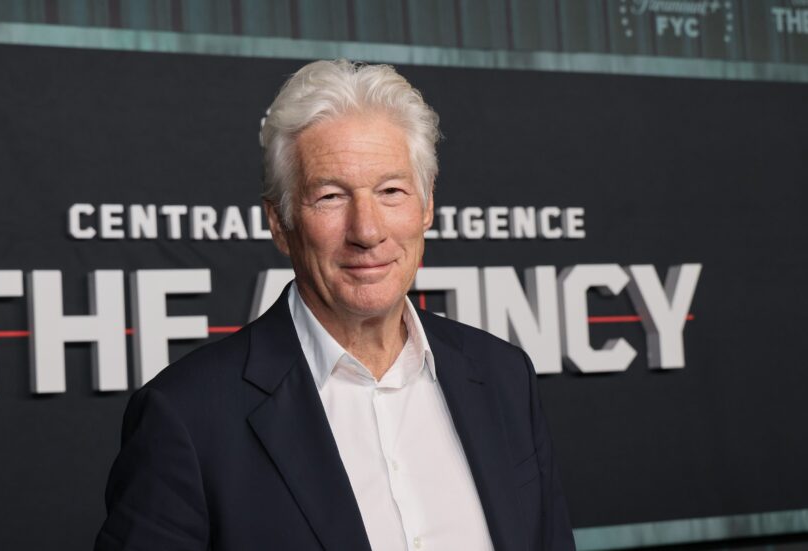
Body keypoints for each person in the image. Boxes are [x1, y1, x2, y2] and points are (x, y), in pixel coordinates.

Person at [95, 59, 575, 551]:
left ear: (427, 205)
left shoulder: (503, 376)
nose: (366, 231)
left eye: (391, 191)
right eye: (330, 196)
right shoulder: (186, 416)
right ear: (279, 223)